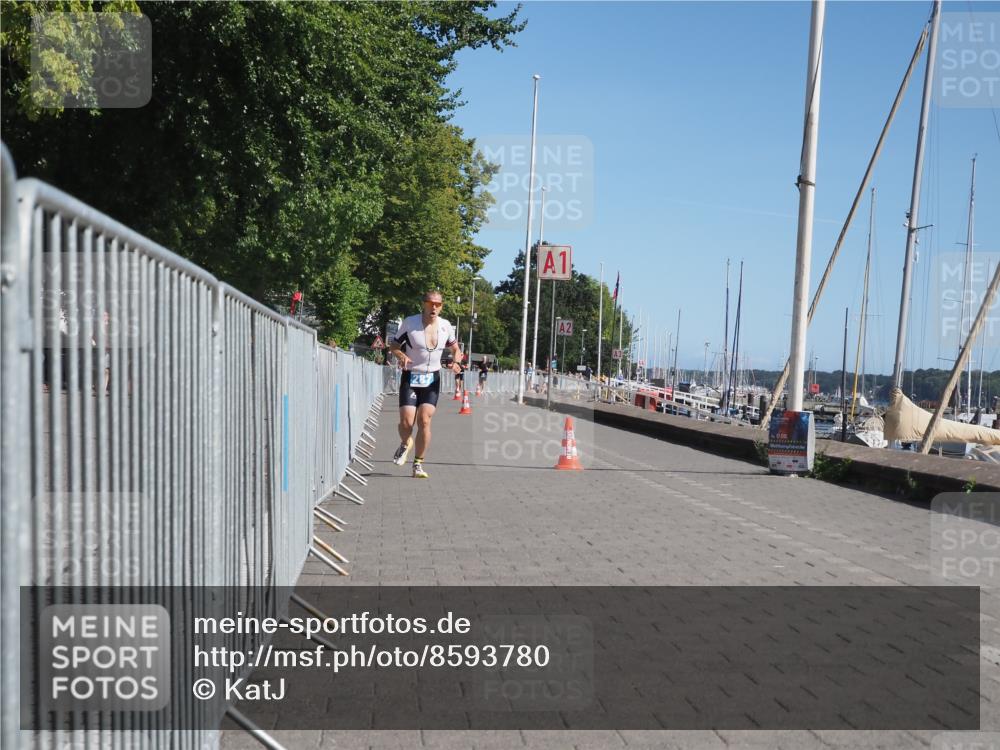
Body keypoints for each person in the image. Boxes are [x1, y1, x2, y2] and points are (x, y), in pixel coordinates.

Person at [387, 290, 463, 478]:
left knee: (424, 420)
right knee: (406, 423)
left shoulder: (446, 326)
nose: (434, 307)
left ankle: (418, 464)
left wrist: (457, 362)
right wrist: (402, 356)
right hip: (411, 376)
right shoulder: (409, 323)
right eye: (430, 303)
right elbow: (394, 346)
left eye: (438, 304)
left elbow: (455, 349)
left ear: (441, 306)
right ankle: (406, 443)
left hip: (432, 379)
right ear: (424, 304)